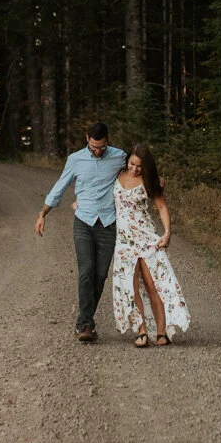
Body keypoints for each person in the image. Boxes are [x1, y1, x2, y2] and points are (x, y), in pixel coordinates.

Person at [34, 121, 128, 343]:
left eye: (102, 147)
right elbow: (60, 186)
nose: (98, 151)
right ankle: (84, 324)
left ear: (108, 141)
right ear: (87, 139)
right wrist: (43, 213)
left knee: (100, 275)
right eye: (94, 147)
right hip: (83, 222)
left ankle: (85, 321)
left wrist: (156, 181)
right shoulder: (75, 159)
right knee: (86, 270)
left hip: (108, 223)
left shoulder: (119, 157)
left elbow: (137, 170)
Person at [112, 145, 190, 346]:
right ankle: (142, 331)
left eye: (139, 166)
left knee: (152, 284)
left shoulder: (149, 181)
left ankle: (161, 332)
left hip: (145, 238)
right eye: (131, 163)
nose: (134, 169)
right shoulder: (117, 175)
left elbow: (162, 207)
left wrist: (167, 233)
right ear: (127, 160)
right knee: (130, 284)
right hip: (124, 241)